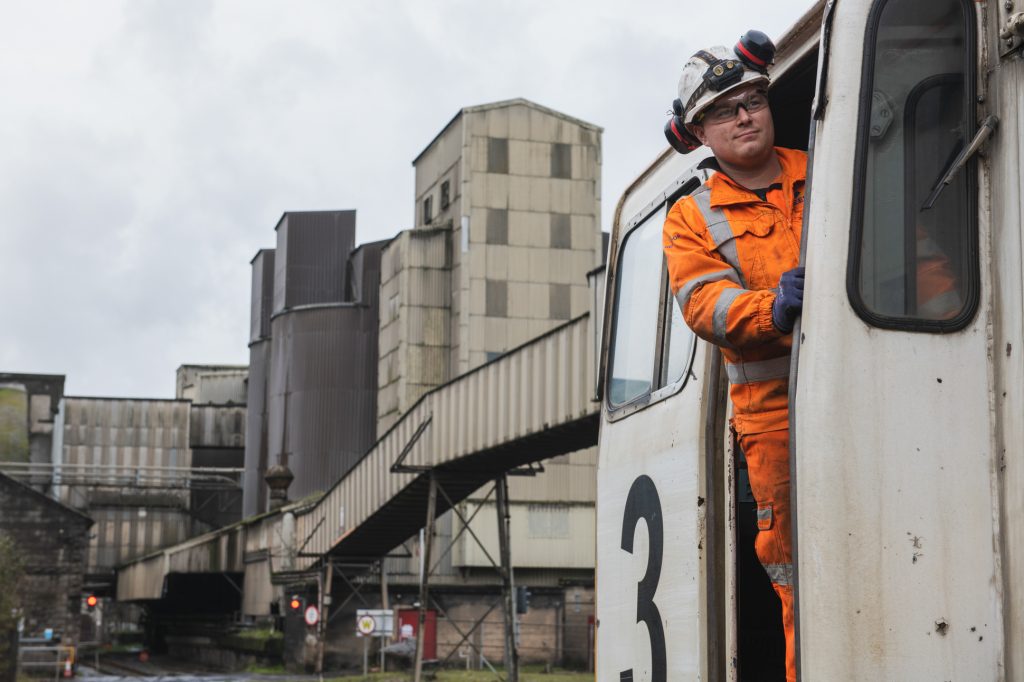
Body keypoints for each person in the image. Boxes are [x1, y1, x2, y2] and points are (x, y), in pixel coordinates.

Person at [662, 35, 804, 682]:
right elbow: (704, 307)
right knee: (804, 580)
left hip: (886, 384)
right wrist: (773, 309)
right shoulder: (691, 217)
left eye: (752, 101)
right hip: (776, 425)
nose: (745, 116)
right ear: (696, 133)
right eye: (725, 110)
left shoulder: (828, 169)